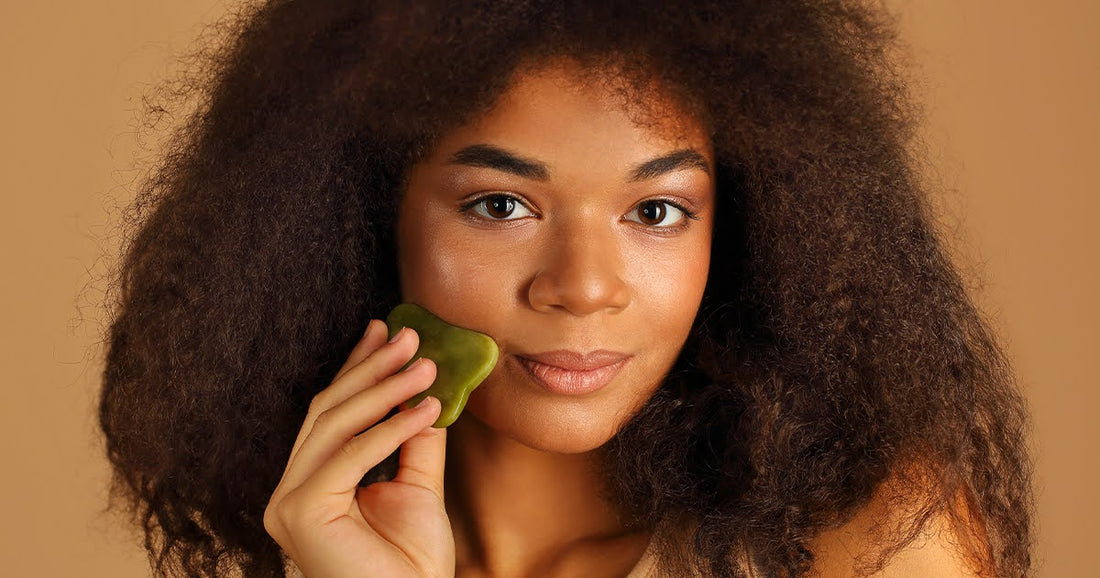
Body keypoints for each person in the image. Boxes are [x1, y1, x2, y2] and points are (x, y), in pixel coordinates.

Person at [98, 1, 1034, 576]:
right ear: (358, 215)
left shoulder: (871, 544)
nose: (583, 289)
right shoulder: (335, 558)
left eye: (658, 212)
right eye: (502, 205)